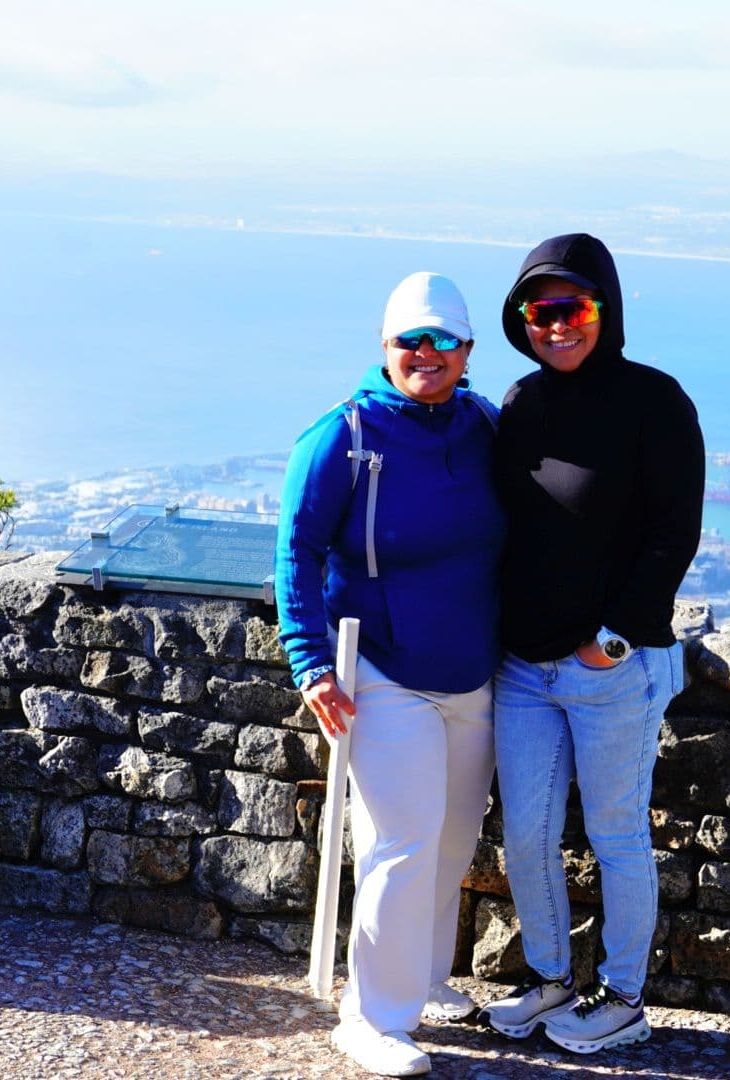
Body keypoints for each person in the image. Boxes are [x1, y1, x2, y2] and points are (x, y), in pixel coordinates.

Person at [478, 234, 704, 1054]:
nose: (556, 326)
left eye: (572, 308)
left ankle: (623, 998)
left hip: (611, 668)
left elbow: (675, 533)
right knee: (527, 832)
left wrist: (610, 641)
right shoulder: (522, 403)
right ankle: (548, 980)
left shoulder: (656, 401)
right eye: (540, 312)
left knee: (614, 835)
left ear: (604, 311)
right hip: (523, 666)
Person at [275, 271, 504, 1078]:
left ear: (469, 349)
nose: (426, 353)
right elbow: (295, 552)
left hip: (473, 670)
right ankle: (371, 1016)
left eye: (443, 339)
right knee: (401, 841)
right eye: (412, 338)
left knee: (451, 840)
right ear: (385, 345)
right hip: (382, 668)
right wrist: (309, 661)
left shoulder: (483, 425)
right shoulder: (343, 437)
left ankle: (420, 979)